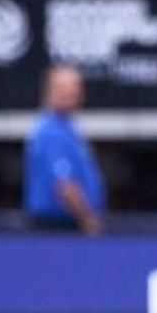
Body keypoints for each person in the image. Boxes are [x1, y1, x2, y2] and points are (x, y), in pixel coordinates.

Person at [24, 67, 106, 235]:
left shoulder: (66, 127)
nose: (73, 93)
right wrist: (87, 221)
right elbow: (64, 185)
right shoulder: (51, 131)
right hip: (57, 229)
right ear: (49, 91)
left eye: (76, 87)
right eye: (65, 89)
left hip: (66, 225)